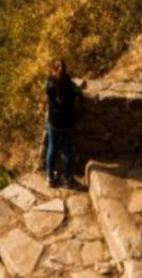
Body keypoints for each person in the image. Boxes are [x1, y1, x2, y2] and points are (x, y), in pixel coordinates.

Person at [44, 59, 80, 188]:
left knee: (52, 148)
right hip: (67, 122)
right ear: (65, 70)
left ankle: (50, 177)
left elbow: (44, 88)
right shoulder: (69, 84)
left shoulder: (49, 84)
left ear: (53, 70)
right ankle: (66, 179)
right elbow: (78, 91)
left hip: (54, 121)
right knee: (67, 150)